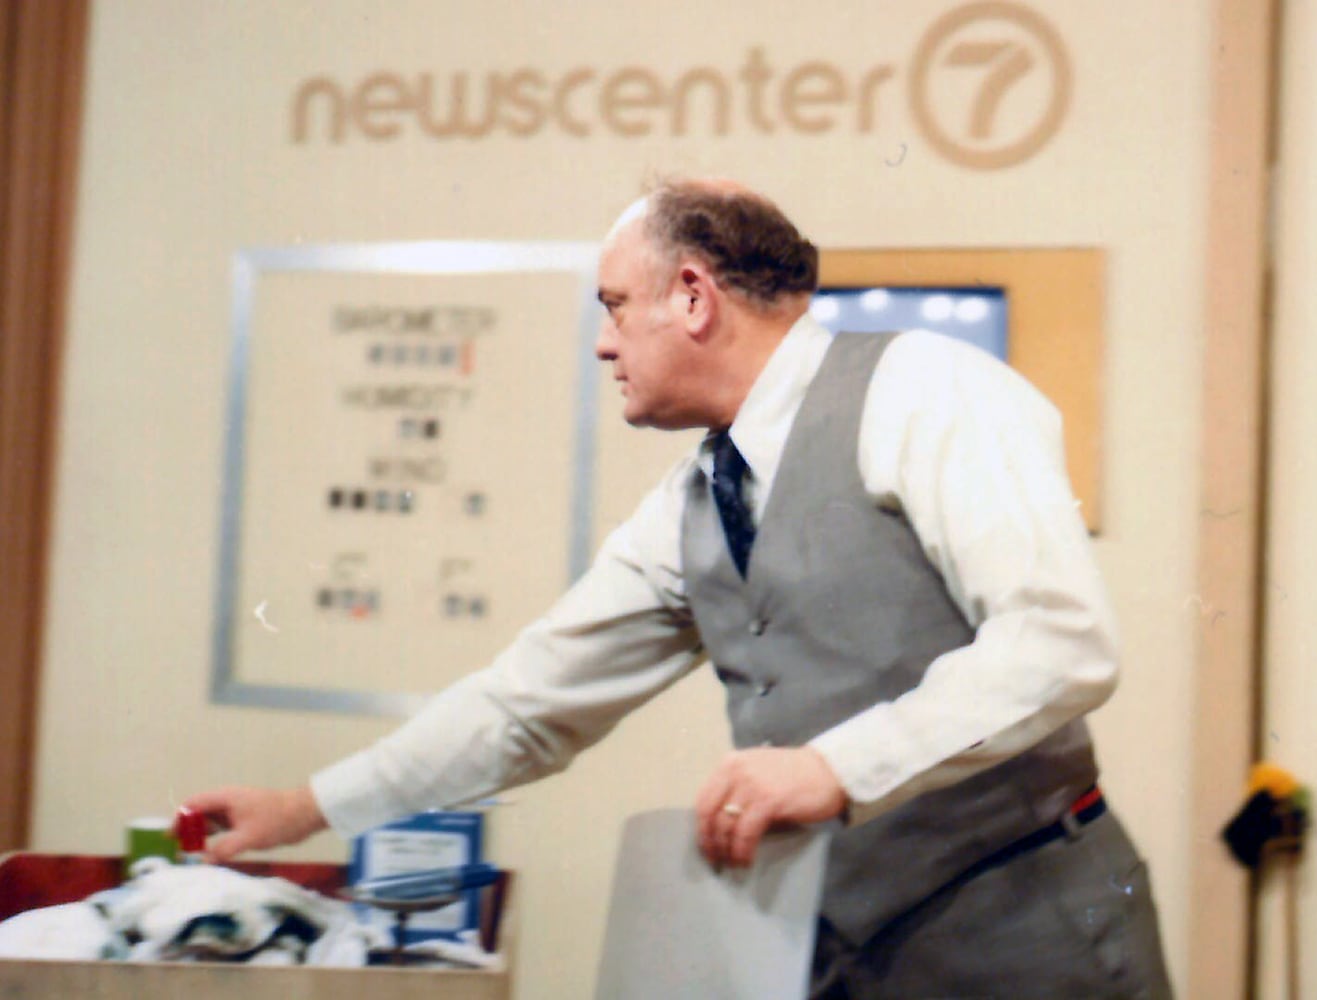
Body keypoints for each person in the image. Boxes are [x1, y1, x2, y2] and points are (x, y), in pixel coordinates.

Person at [186, 179, 1172, 997]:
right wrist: (305, 806)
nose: (604, 344)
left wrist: (833, 766)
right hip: (836, 953)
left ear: (692, 297)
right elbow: (525, 703)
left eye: (613, 306)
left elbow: (1059, 642)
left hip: (1030, 939)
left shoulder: (926, 389)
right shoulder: (694, 498)